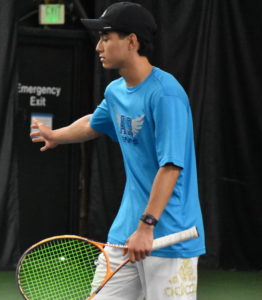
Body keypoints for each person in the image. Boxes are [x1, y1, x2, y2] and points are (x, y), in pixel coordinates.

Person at [31, 2, 205, 299]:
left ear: (132, 41)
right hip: (124, 235)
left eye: (106, 37)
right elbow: (94, 123)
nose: (99, 46)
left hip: (169, 237)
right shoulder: (115, 92)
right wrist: (56, 135)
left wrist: (147, 226)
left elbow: (171, 167)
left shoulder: (166, 94)